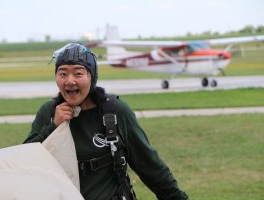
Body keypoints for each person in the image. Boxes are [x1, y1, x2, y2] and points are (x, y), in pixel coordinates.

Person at [24, 43, 188, 200]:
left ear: (92, 76)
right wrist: (53, 127)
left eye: (78, 73)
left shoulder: (115, 112)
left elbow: (150, 166)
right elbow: (24, 164)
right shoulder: (49, 113)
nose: (70, 81)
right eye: (63, 73)